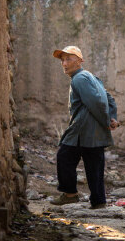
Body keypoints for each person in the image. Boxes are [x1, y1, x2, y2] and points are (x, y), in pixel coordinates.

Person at [50, 45, 119, 208]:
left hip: (82, 130)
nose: (64, 64)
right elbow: (109, 99)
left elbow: (96, 102)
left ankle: (70, 194)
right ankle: (99, 201)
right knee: (95, 166)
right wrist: (111, 118)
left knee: (64, 157)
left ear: (80, 61)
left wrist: (106, 121)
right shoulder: (91, 77)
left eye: (68, 59)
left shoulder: (79, 79)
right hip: (95, 132)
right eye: (62, 60)